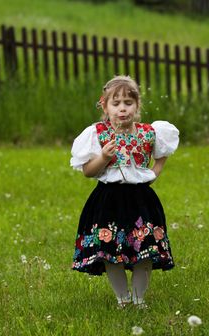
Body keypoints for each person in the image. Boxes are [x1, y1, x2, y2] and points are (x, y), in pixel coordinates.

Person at [70, 75, 179, 309]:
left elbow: (161, 157)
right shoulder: (97, 133)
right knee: (110, 252)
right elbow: (88, 172)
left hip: (141, 200)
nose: (122, 109)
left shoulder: (149, 133)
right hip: (108, 200)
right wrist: (103, 158)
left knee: (146, 250)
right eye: (116, 103)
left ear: (137, 106)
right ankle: (123, 300)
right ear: (105, 106)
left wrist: (153, 173)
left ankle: (140, 300)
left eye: (128, 103)